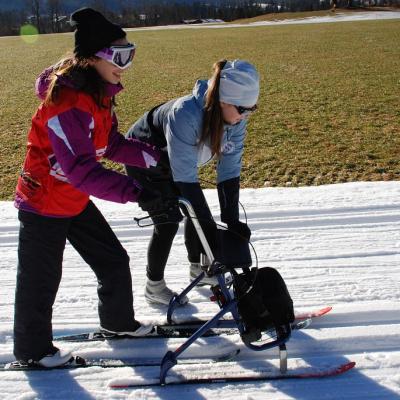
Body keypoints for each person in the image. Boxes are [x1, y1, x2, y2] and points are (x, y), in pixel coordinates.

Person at [12, 7, 164, 368]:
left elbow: (109, 143)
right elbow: (82, 169)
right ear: (92, 57)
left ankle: (118, 324)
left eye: (131, 54)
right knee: (40, 282)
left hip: (73, 198)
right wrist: (137, 192)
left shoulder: (98, 93)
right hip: (45, 200)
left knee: (113, 260)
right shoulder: (66, 103)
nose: (125, 65)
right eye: (119, 56)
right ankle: (33, 353)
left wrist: (157, 159)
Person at [125, 59, 259, 305]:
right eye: (243, 109)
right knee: (168, 221)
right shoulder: (185, 114)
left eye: (252, 109)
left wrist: (231, 220)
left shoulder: (235, 119)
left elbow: (229, 169)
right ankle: (154, 287)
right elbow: (186, 181)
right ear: (224, 101)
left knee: (194, 211)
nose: (246, 116)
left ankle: (198, 270)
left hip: (175, 161)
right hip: (143, 160)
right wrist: (209, 230)